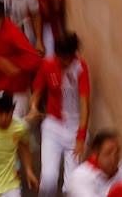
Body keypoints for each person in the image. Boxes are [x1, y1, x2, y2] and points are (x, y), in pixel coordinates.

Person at [29, 35, 91, 197]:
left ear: (72, 55)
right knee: (49, 179)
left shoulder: (81, 68)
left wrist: (80, 138)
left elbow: (85, 106)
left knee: (72, 185)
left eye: (66, 58)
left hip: (75, 128)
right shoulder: (48, 64)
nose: (62, 62)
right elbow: (37, 92)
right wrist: (34, 107)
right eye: (59, 57)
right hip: (53, 127)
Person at [65, 130, 122, 197]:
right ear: (95, 154)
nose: (114, 158)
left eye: (117, 152)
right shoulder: (79, 178)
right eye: (108, 153)